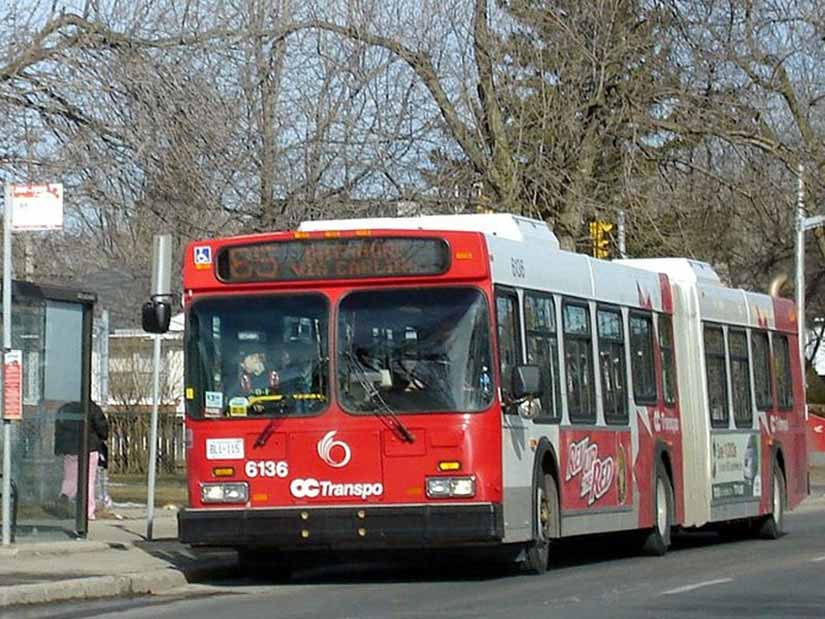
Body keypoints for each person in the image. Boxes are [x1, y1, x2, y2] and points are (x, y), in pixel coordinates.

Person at [54, 400, 109, 521]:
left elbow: (58, 430)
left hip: (69, 448)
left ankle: (65, 496)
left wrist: (59, 447)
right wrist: (102, 437)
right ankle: (88, 511)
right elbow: (101, 427)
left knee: (69, 478)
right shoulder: (91, 407)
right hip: (88, 447)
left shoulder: (65, 408)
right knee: (88, 480)